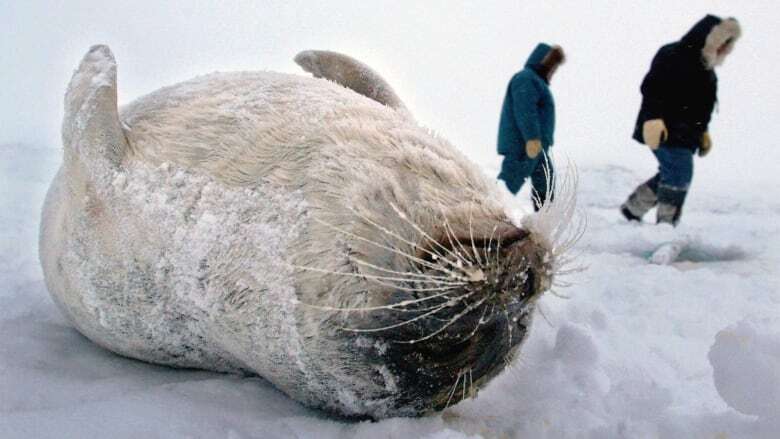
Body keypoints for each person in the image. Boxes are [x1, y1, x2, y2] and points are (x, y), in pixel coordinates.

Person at [621, 15, 741, 225]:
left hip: (687, 133)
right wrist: (652, 119)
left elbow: (704, 108)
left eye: (728, 45)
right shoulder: (672, 54)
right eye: (723, 42)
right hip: (663, 128)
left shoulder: (708, 70)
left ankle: (633, 208)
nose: (724, 49)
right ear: (712, 38)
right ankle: (666, 224)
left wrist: (703, 132)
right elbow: (652, 87)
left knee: (672, 172)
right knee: (679, 172)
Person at [497, 43, 565, 210]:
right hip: (524, 146)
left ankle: (544, 222)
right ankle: (485, 216)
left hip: (537, 148)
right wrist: (532, 138)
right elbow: (525, 110)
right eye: (552, 67)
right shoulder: (526, 79)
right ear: (545, 63)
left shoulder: (536, 82)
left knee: (546, 183)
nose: (553, 72)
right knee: (508, 184)